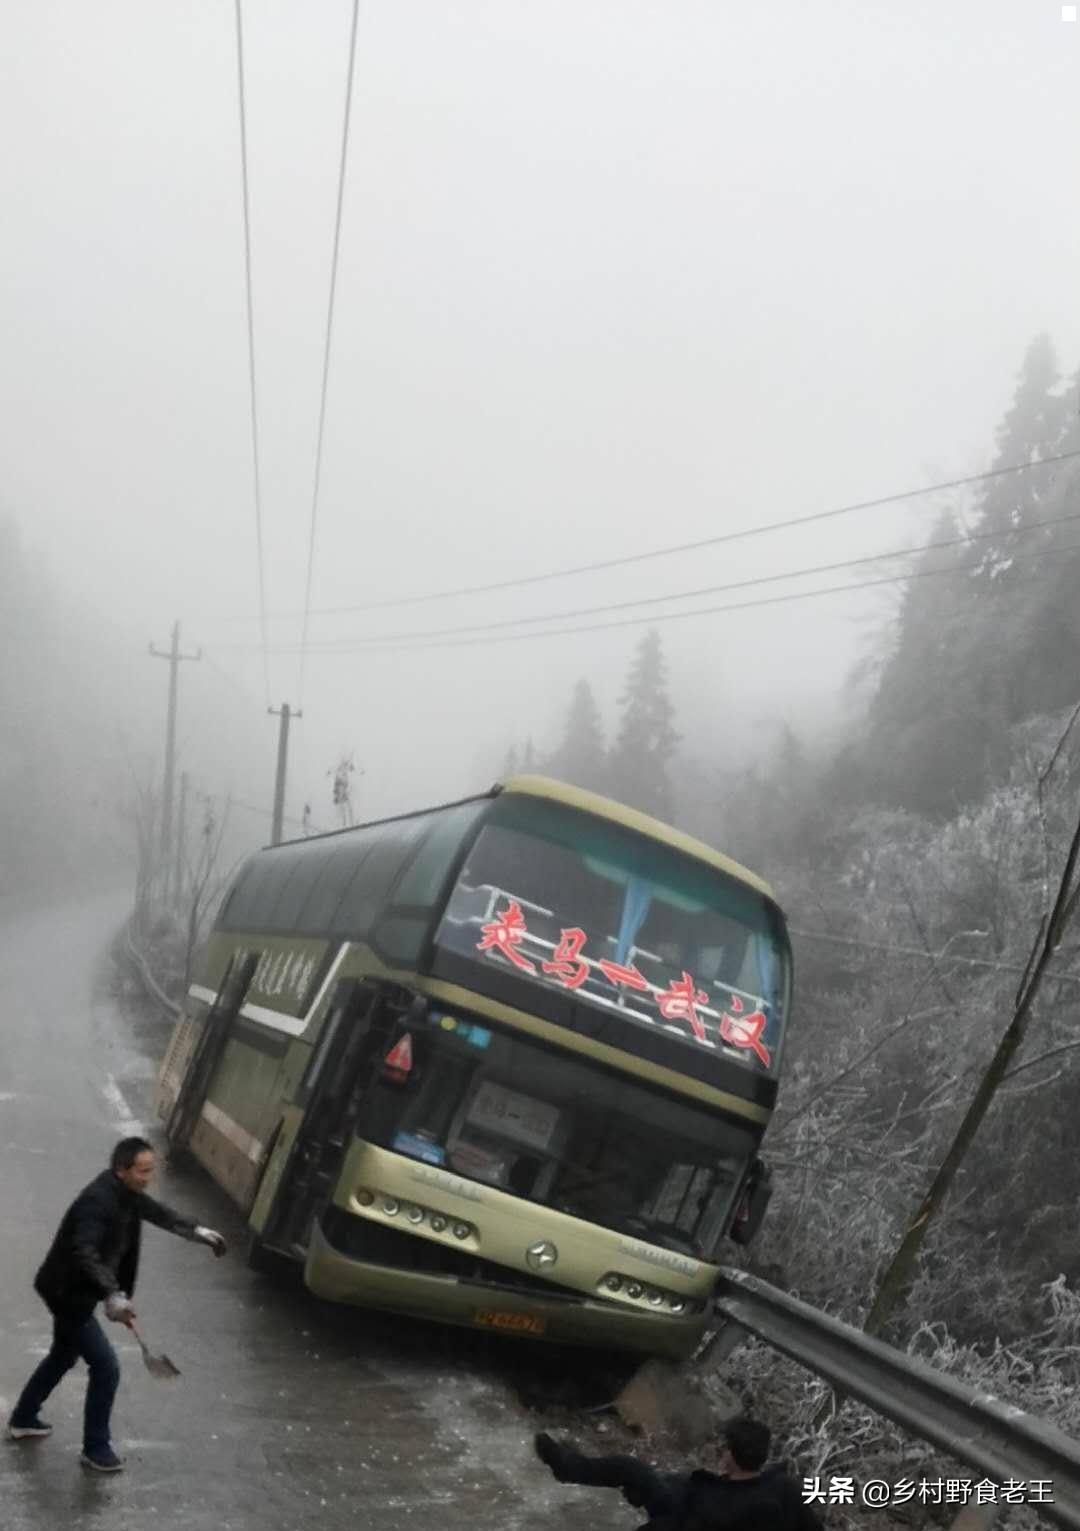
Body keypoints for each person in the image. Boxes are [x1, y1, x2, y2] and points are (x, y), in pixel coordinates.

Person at [6, 1136, 228, 1473]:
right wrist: (112, 1294)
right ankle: (96, 1448)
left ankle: (23, 1418)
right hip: (67, 1292)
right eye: (143, 1171)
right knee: (106, 1367)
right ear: (121, 1170)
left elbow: (161, 1214)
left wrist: (198, 1231)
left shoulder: (129, 1195)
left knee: (63, 1355)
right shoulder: (96, 1202)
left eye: (151, 1170)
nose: (148, 1177)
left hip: (76, 1289)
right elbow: (84, 1252)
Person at [534, 1415, 823, 1531]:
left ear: (732, 1456)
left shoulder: (714, 1507)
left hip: (682, 1509)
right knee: (638, 1472)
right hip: (688, 1496)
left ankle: (567, 1467)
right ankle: (568, 1465)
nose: (720, 1452)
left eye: (724, 1448)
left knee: (630, 1470)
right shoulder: (785, 1487)